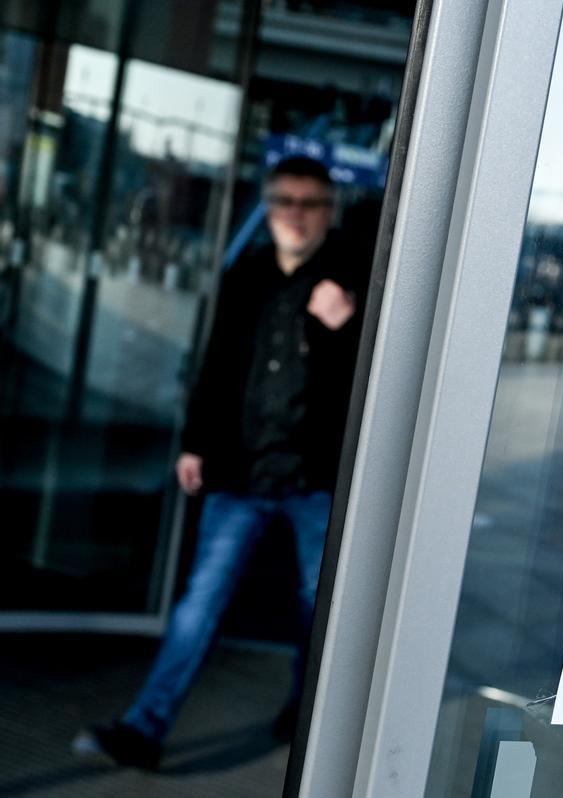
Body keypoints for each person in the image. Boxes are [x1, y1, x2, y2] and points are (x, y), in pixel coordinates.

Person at [75, 156, 365, 769]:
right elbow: (218, 366)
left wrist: (345, 327)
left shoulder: (355, 278)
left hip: (318, 481)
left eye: (309, 202)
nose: (295, 213)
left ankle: (305, 714)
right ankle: (143, 729)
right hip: (240, 474)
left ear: (328, 210)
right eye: (284, 200)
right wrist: (194, 442)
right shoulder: (247, 273)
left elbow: (373, 386)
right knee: (199, 604)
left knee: (320, 613)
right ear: (268, 204)